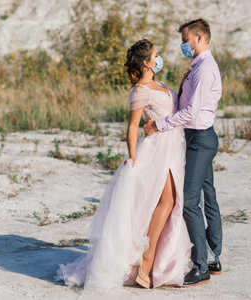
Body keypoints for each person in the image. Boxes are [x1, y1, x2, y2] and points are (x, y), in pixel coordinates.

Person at [56, 39, 193, 290]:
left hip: (172, 149)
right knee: (164, 202)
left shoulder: (159, 84)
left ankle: (151, 259)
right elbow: (132, 127)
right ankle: (146, 261)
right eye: (156, 54)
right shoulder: (141, 90)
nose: (159, 57)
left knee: (169, 202)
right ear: (146, 62)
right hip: (155, 151)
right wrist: (132, 157)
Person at [144, 19, 223, 287]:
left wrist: (159, 124)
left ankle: (201, 265)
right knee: (208, 195)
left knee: (189, 201)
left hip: (200, 139)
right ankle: (213, 257)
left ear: (199, 38)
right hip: (200, 137)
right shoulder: (199, 66)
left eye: (185, 39)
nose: (182, 45)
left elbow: (192, 111)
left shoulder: (204, 69)